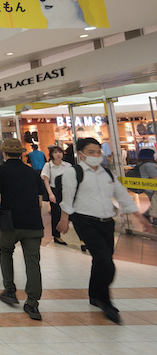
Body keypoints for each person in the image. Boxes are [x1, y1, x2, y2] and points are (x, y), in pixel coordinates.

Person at [57, 137, 152, 324]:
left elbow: (122, 196)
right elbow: (67, 197)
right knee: (105, 262)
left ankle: (94, 295)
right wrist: (64, 220)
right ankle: (105, 300)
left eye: (98, 152)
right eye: (91, 152)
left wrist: (139, 217)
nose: (95, 155)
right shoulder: (73, 173)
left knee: (101, 260)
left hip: (107, 221)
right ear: (81, 154)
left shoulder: (107, 173)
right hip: (84, 221)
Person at [0, 137, 47, 321]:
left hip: (9, 222)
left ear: (4, 153)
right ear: (21, 154)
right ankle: (33, 303)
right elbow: (40, 202)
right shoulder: (32, 173)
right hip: (33, 223)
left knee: (6, 252)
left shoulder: (0, 171)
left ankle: (10, 290)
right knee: (33, 262)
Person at [41, 145, 72, 246]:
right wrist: (50, 194)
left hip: (67, 190)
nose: (58, 154)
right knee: (56, 213)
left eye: (60, 152)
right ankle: (57, 236)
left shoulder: (68, 165)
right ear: (51, 155)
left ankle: (82, 240)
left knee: (73, 213)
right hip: (55, 190)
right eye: (55, 152)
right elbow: (46, 180)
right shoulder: (48, 166)